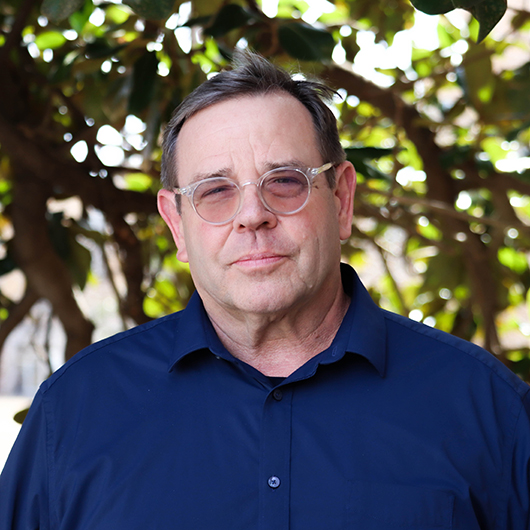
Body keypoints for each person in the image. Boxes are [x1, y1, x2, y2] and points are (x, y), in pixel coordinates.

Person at [1, 50, 529, 530]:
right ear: (177, 225)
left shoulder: (488, 409)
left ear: (341, 199)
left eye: (284, 181)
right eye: (215, 191)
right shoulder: (72, 413)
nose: (252, 216)